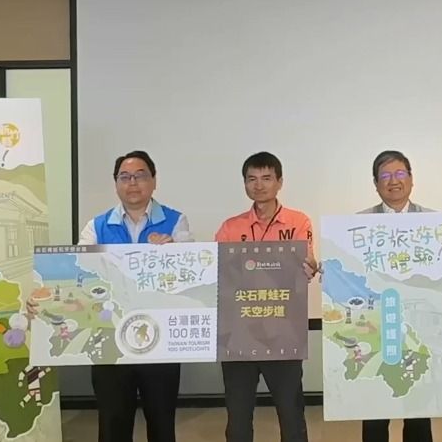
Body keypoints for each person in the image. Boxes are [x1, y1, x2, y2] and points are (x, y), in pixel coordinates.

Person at [81, 150, 192, 442]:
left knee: (161, 420)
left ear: (154, 181)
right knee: (112, 422)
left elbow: (190, 276)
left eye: (140, 176)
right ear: (116, 183)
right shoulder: (96, 226)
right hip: (109, 339)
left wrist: (174, 254)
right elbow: (81, 272)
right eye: (125, 177)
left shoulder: (175, 222)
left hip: (161, 339)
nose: (132, 183)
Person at [214, 152, 319, 442]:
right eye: (252, 179)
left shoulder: (298, 221)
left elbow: (304, 266)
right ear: (245, 184)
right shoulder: (230, 227)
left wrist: (309, 267)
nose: (259, 185)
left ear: (279, 182)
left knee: (291, 414)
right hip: (239, 335)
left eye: (266, 178)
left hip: (283, 332)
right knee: (238, 418)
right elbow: (219, 273)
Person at [357, 150, 435, 442]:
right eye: (385, 176)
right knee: (375, 410)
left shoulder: (434, 223)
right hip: (377, 328)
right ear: (375, 184)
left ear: (411, 179)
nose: (394, 181)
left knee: (418, 409)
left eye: (400, 174)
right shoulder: (357, 224)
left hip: (420, 330)